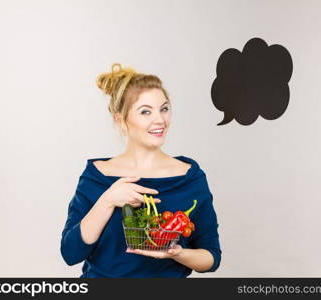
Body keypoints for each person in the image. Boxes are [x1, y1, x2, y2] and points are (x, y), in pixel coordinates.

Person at [60, 63, 221, 278]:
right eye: (145, 112)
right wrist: (108, 200)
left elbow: (211, 257)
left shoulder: (189, 177)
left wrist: (177, 253)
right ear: (120, 119)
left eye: (164, 109)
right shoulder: (97, 175)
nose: (160, 120)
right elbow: (70, 253)